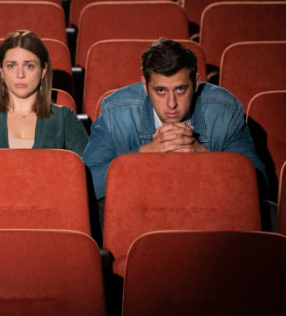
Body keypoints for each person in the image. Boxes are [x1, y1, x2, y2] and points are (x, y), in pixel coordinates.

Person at [83, 38, 265, 202]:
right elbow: (87, 185)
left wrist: (203, 155)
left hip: (206, 209)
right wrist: (145, 154)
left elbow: (258, 183)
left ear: (196, 83)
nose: (172, 104)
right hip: (137, 210)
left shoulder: (224, 110)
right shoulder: (115, 111)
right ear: (145, 86)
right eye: (161, 90)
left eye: (180, 89)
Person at [0, 30, 88, 152]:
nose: (20, 74)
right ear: (1, 70)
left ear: (43, 70)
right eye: (11, 66)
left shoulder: (64, 119)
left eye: (29, 66)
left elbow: (83, 169)